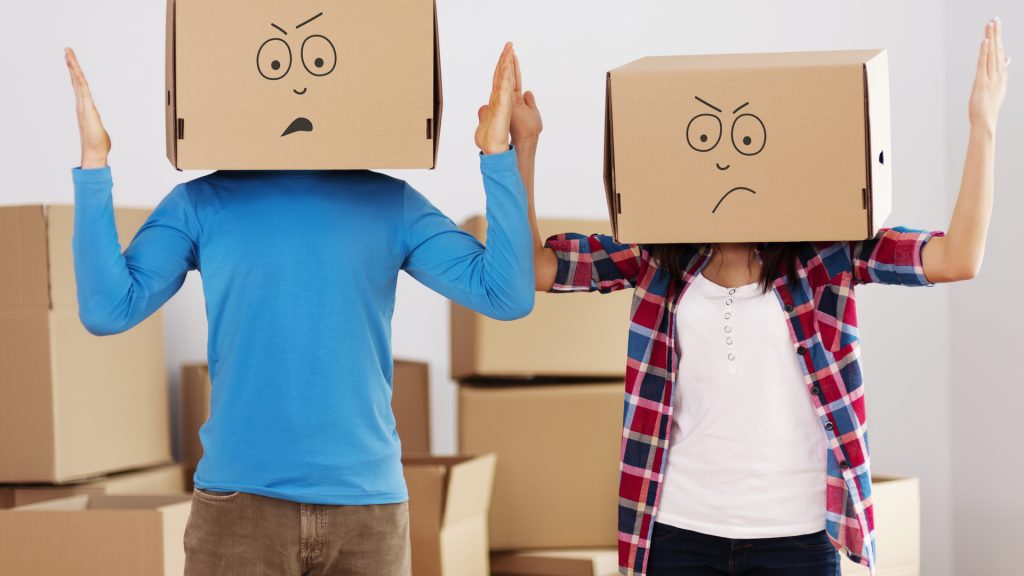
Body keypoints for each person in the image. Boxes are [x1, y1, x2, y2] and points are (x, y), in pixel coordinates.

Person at [510, 19, 1009, 576]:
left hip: (796, 536)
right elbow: (535, 267)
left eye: (747, 141)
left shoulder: (826, 253)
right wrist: (524, 146)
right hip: (679, 528)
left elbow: (956, 258)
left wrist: (982, 125)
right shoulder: (656, 256)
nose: (727, 160)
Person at [64, 43, 534, 576]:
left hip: (368, 514)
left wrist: (498, 155)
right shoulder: (200, 203)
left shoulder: (391, 202)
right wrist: (94, 163)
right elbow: (108, 309)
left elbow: (507, 294)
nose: (300, 85)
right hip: (238, 509)